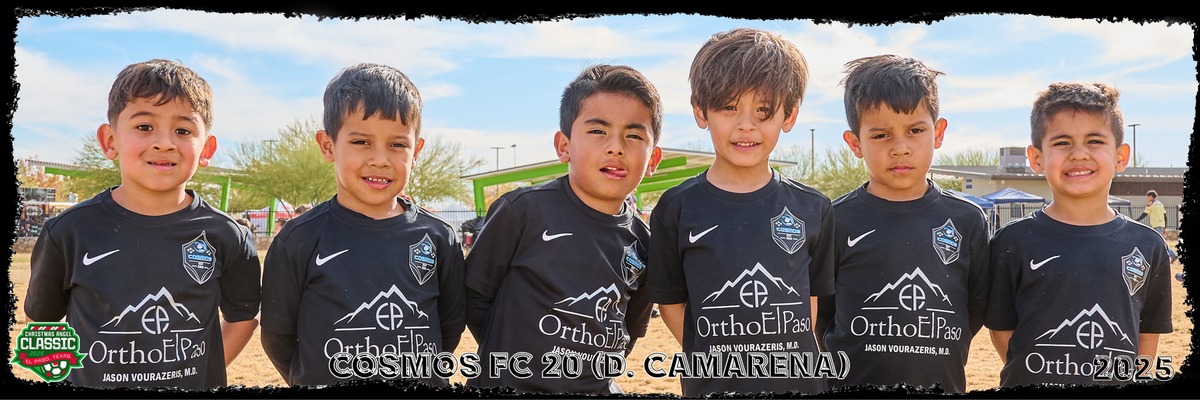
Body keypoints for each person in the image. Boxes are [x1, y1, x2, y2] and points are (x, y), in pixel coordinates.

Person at [24, 59, 262, 389]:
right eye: (145, 127)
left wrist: (202, 371)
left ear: (206, 149)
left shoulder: (227, 235)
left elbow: (244, 317)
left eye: (183, 131)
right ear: (110, 141)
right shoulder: (68, 232)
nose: (164, 143)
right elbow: (42, 322)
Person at [644, 28, 833, 396]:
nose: (746, 125)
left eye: (763, 111)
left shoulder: (813, 208)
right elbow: (670, 303)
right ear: (701, 110)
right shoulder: (676, 207)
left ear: (789, 116)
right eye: (729, 107)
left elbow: (811, 306)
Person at [259, 63, 465, 387]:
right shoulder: (299, 239)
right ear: (328, 146)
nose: (380, 159)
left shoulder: (439, 237)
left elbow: (449, 327)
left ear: (416, 151)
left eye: (397, 145)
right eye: (361, 142)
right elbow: (277, 336)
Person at [464, 64, 663, 394]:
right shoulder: (523, 211)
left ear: (653, 159)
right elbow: (474, 298)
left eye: (633, 135)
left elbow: (630, 328)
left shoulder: (645, 244)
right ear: (564, 146)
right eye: (598, 131)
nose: (616, 147)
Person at [814, 55, 989, 394]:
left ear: (938, 133)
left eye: (915, 131)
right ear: (855, 144)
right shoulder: (834, 220)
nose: (900, 148)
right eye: (881, 135)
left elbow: (975, 306)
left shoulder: (967, 219)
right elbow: (821, 314)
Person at [985, 82, 1173, 387]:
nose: (1079, 154)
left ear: (1121, 156)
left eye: (1094, 141)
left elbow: (1148, 333)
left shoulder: (1148, 246)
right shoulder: (1012, 242)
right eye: (1062, 143)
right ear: (1036, 158)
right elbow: (1002, 329)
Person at [1136, 189, 1178, 263]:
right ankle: (1170, 255)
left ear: (1151, 196)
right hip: (1161, 225)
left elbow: (1144, 214)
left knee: (1159, 242)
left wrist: (1136, 220)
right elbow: (1165, 215)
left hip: (1155, 225)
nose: (1147, 198)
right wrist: (1165, 226)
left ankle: (1171, 255)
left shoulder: (1151, 204)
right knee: (1158, 242)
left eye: (1148, 196)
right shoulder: (1161, 204)